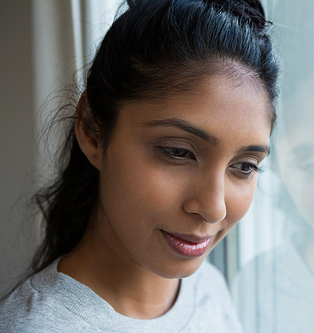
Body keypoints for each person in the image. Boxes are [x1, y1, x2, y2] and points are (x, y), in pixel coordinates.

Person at [0, 0, 279, 331]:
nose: (214, 209)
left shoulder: (208, 288)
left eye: (244, 166)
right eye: (178, 152)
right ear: (92, 129)